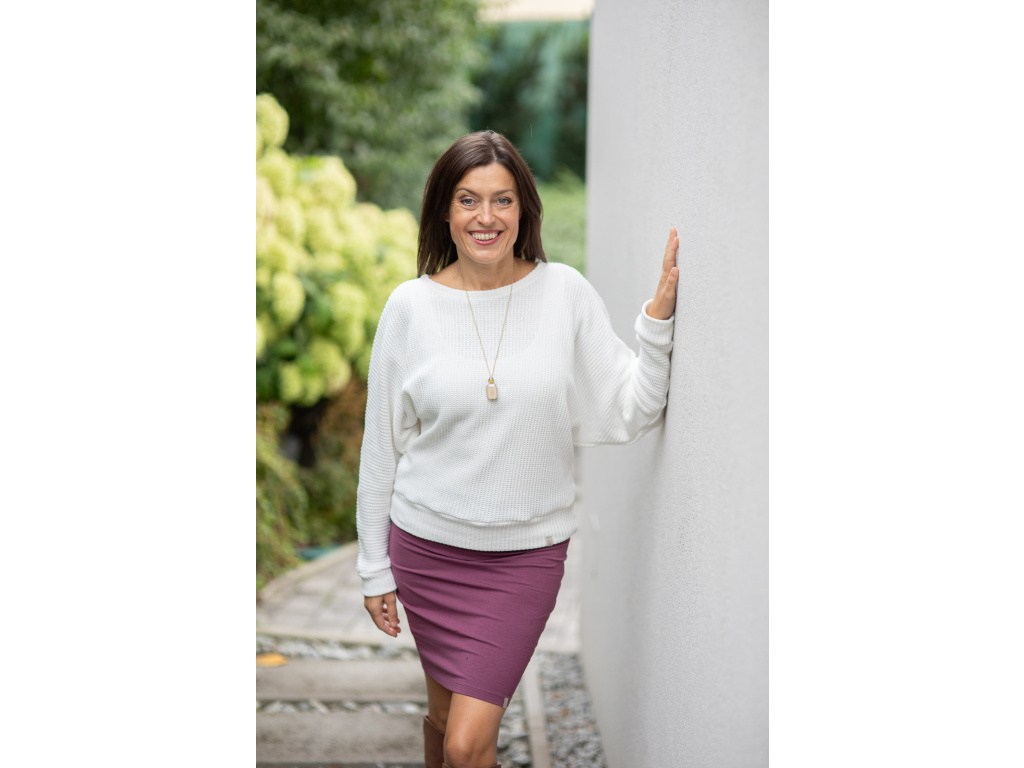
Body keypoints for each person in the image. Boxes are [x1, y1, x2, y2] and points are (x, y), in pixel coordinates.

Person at [356, 130, 679, 768]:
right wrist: (374, 567)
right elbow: (380, 450)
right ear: (444, 213)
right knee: (444, 721)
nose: (486, 217)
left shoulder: (565, 294)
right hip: (426, 550)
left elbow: (633, 406)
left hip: (524, 559)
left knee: (467, 743)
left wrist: (657, 323)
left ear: (524, 210)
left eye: (502, 200)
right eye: (468, 200)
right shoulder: (409, 308)